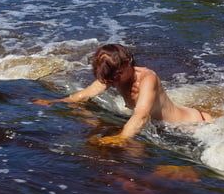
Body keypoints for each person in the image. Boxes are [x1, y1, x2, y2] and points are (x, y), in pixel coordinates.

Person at [34, 43, 213, 145]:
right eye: (108, 79)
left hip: (192, 125)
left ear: (128, 63)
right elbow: (85, 94)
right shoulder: (113, 77)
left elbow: (141, 115)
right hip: (167, 125)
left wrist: (121, 138)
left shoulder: (147, 78)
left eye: (116, 76)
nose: (113, 82)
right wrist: (54, 102)